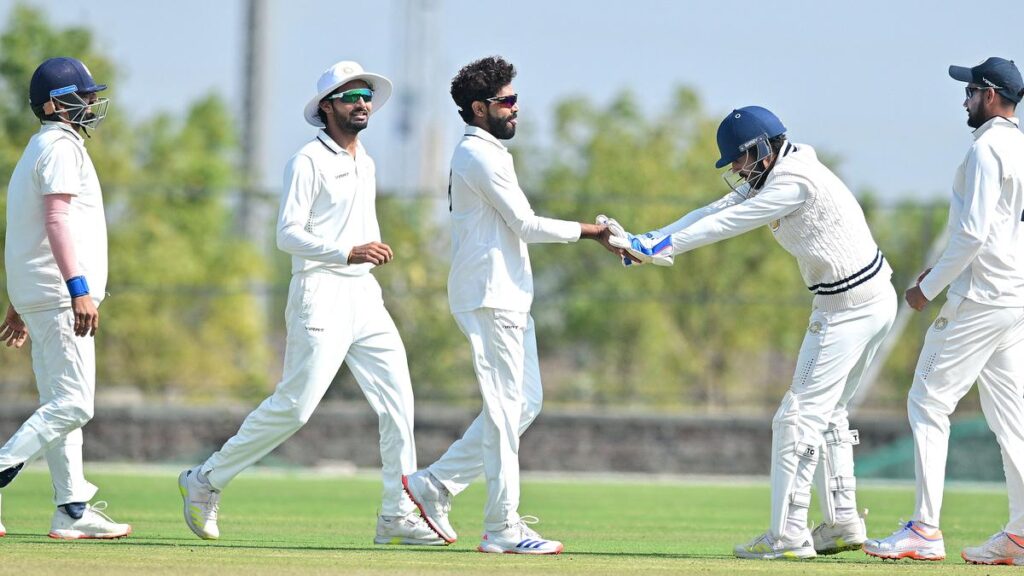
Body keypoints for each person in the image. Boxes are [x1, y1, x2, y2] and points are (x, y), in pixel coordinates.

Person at [614, 106, 897, 559]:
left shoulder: (793, 182)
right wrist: (647, 239)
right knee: (830, 415)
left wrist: (660, 247)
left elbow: (727, 224)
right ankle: (843, 522)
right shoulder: (786, 167)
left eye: (741, 160)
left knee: (795, 417)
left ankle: (787, 536)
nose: (738, 171)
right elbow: (714, 208)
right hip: (873, 298)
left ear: (763, 149)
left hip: (846, 306)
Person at [177, 60, 441, 546]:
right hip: (320, 292)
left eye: (365, 95)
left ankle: (395, 513)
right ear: (327, 107)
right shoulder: (307, 160)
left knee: (399, 402)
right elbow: (287, 234)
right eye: (350, 96)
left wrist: (368, 252)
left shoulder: (367, 160)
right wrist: (346, 251)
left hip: (365, 294)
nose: (361, 103)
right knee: (296, 408)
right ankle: (205, 479)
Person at [401, 56, 621, 555]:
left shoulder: (489, 153)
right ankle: (502, 527)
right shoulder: (478, 156)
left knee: (524, 404)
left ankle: (435, 484)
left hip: (508, 295)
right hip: (489, 295)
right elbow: (526, 224)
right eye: (507, 102)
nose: (515, 109)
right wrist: (593, 232)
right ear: (479, 109)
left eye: (516, 99)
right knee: (504, 411)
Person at [863, 57, 1024, 565]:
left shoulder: (987, 149)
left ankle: (924, 529)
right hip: (1013, 298)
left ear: (992, 96)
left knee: (927, 401)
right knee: (1011, 420)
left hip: (979, 300)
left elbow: (973, 233)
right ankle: (1021, 535)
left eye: (972, 91)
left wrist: (927, 287)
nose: (965, 100)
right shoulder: (1020, 147)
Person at [0, 57, 131, 539]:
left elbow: (23, 232)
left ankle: (72, 509)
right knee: (75, 404)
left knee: (59, 402)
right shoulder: (59, 147)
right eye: (83, 95)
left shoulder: (39, 148)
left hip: (42, 292)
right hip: (60, 293)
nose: (93, 102)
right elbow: (56, 223)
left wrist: (18, 300)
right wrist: (78, 289)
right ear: (55, 104)